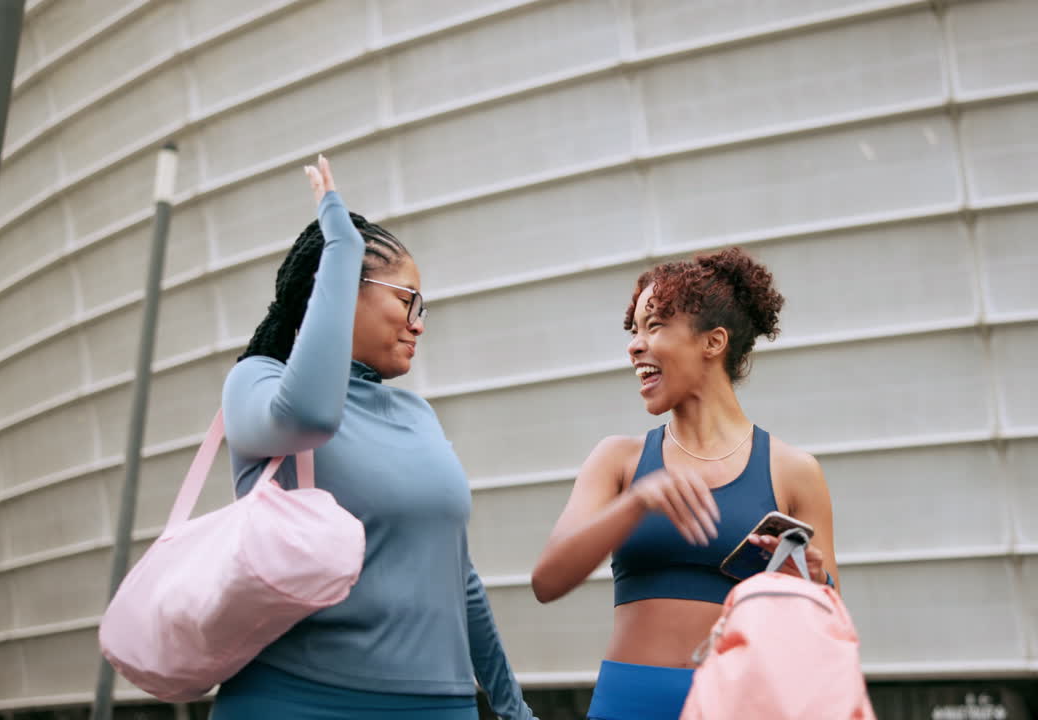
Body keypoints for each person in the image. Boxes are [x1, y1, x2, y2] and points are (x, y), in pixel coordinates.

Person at [210, 155, 535, 720]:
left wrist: (512, 706)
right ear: (338, 287)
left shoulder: (418, 416)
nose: (418, 322)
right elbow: (309, 417)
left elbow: (457, 577)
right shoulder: (258, 382)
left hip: (441, 706)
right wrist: (340, 248)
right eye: (407, 299)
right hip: (297, 699)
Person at [530, 247, 839, 720]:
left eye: (653, 326)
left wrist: (813, 584)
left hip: (743, 705)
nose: (635, 345)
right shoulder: (618, 459)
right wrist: (636, 503)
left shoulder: (794, 469)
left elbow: (829, 627)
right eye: (634, 329)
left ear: (712, 342)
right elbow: (546, 581)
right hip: (627, 705)